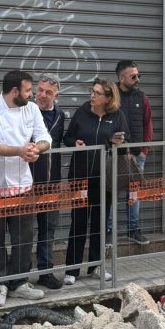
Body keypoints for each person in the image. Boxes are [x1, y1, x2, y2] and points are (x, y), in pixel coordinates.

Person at [0, 74, 65, 289]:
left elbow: (46, 138)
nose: (32, 94)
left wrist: (36, 149)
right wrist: (19, 151)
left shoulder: (31, 109)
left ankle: (19, 282)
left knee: (23, 238)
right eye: (27, 91)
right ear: (15, 91)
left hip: (22, 185)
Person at [63, 78, 131, 284]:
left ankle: (96, 266)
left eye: (97, 93)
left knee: (100, 223)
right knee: (78, 222)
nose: (92, 96)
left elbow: (127, 141)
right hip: (80, 177)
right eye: (92, 91)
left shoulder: (117, 116)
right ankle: (72, 270)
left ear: (108, 98)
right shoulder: (82, 111)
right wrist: (75, 142)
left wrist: (118, 141)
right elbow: (67, 137)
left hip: (105, 178)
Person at [109, 59, 153, 246]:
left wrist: (144, 151)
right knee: (111, 194)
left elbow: (147, 124)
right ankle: (108, 231)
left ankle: (133, 230)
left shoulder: (142, 97)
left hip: (136, 157)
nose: (137, 79)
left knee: (134, 195)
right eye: (133, 76)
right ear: (121, 78)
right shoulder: (110, 96)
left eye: (138, 75)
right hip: (114, 156)